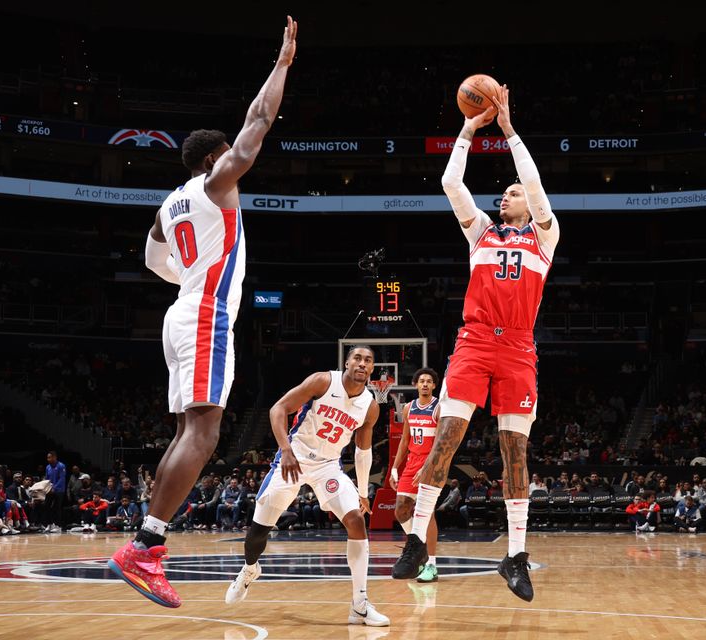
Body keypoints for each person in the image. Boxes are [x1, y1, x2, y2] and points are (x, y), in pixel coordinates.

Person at [107, 16, 298, 609]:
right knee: (206, 433)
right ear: (214, 160)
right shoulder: (217, 184)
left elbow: (152, 259)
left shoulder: (169, 205)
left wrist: (188, 278)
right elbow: (258, 124)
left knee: (194, 431)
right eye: (227, 160)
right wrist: (283, 64)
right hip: (207, 313)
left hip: (182, 307)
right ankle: (145, 546)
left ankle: (146, 539)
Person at [391, 84, 559, 605]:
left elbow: (531, 182)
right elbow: (449, 180)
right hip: (475, 342)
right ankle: (417, 540)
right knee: (446, 439)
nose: (507, 195)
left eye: (513, 192)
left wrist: (507, 128)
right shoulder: (481, 233)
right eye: (505, 192)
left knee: (515, 454)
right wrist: (469, 128)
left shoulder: (545, 235)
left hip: (519, 350)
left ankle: (514, 556)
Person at [225, 346, 389, 627]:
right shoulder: (323, 381)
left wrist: (363, 492)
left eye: (368, 360)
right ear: (347, 362)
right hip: (294, 458)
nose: (363, 363)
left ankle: (359, 605)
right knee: (257, 535)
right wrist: (285, 450)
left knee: (356, 522)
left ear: (372, 369)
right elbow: (279, 408)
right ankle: (250, 569)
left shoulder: (370, 406)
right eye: (358, 358)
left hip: (328, 467)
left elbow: (363, 451)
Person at [388, 368, 441, 583]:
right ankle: (418, 547)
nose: (425, 384)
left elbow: (440, 444)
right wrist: (394, 467)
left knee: (427, 514)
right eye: (422, 381)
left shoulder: (439, 408)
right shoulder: (409, 408)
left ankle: (432, 565)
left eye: (429, 381)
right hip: (411, 464)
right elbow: (404, 440)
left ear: (434, 386)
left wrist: (428, 466)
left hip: (432, 465)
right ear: (416, 384)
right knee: (400, 510)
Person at [45, 451, 66, 533]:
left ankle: (58, 526)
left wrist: (55, 487)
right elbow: (47, 478)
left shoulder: (61, 466)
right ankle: (49, 524)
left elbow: (62, 478)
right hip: (49, 490)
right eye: (47, 458)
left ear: (54, 457)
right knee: (46, 506)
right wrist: (46, 487)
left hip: (59, 490)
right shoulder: (47, 467)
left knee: (56, 508)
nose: (48, 459)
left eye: (50, 457)